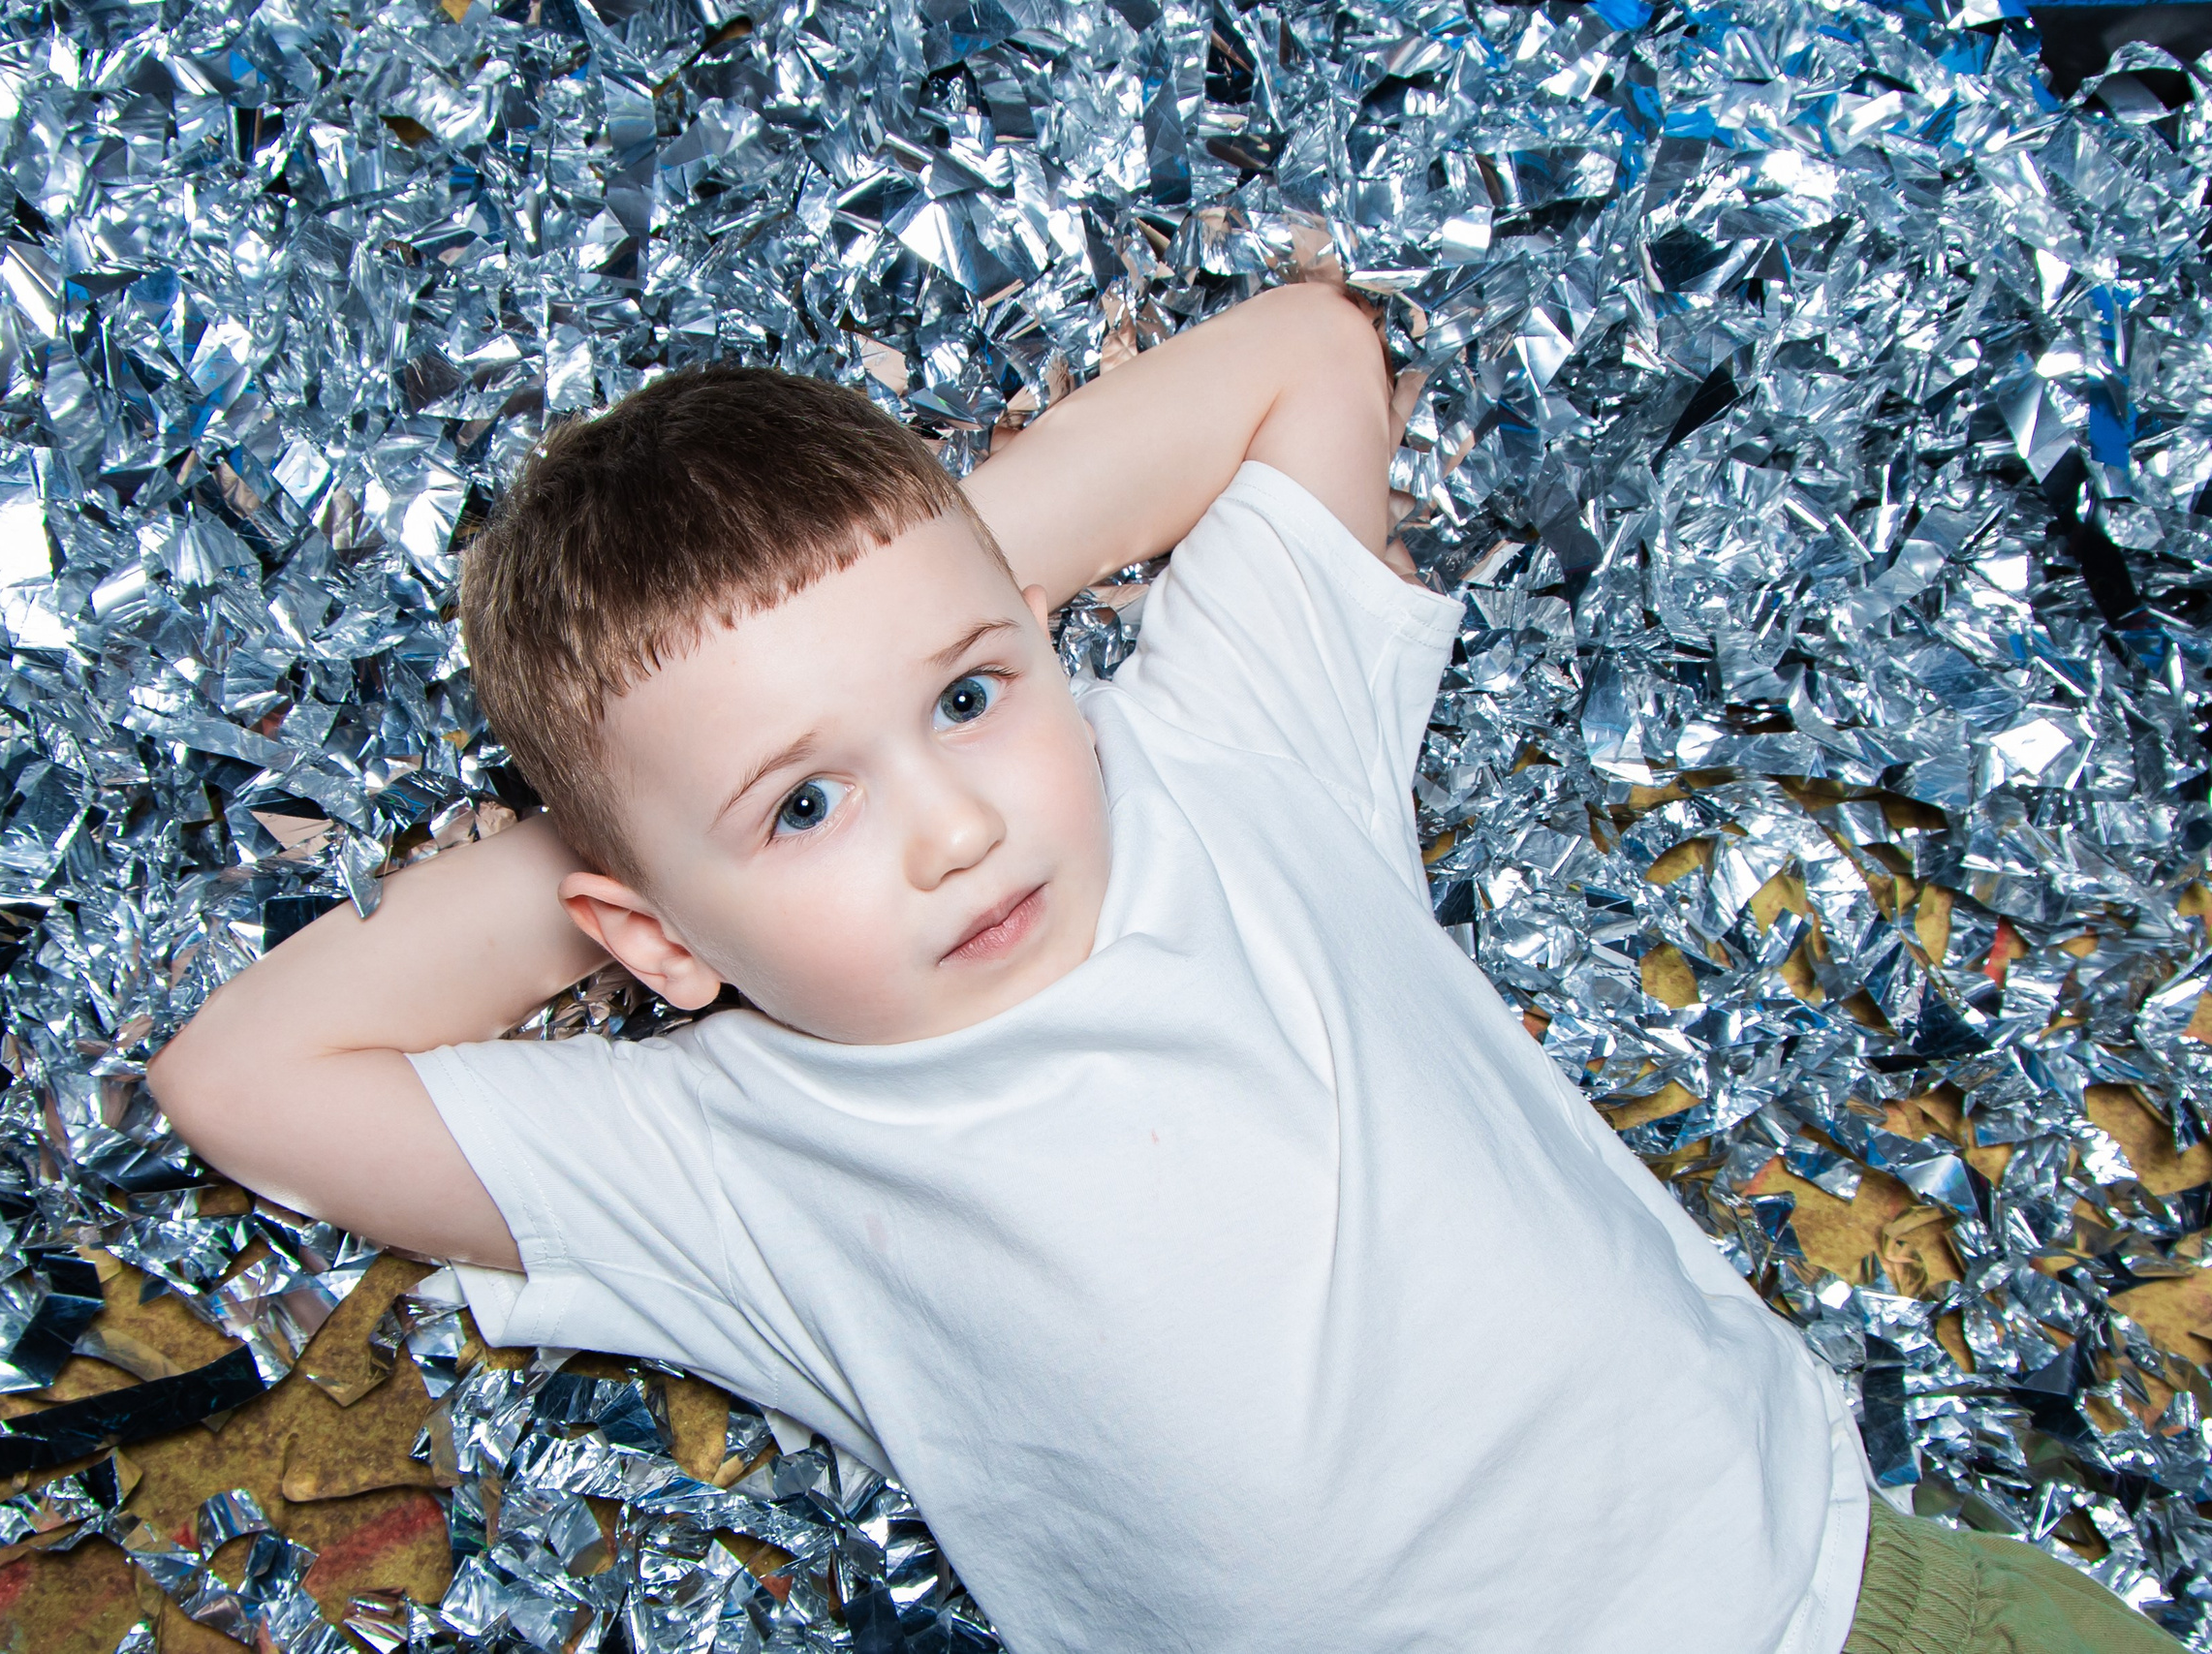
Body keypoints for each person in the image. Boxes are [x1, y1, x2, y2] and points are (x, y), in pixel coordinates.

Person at [147, 281, 2179, 1653]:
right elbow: (241, 1076)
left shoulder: (1216, 762)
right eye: (805, 810)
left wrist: (920, 568)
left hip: (1850, 1606)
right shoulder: (725, 1153)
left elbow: (1305, 351)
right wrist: (628, 836)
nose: (954, 823)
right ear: (656, 934)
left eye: (968, 696)